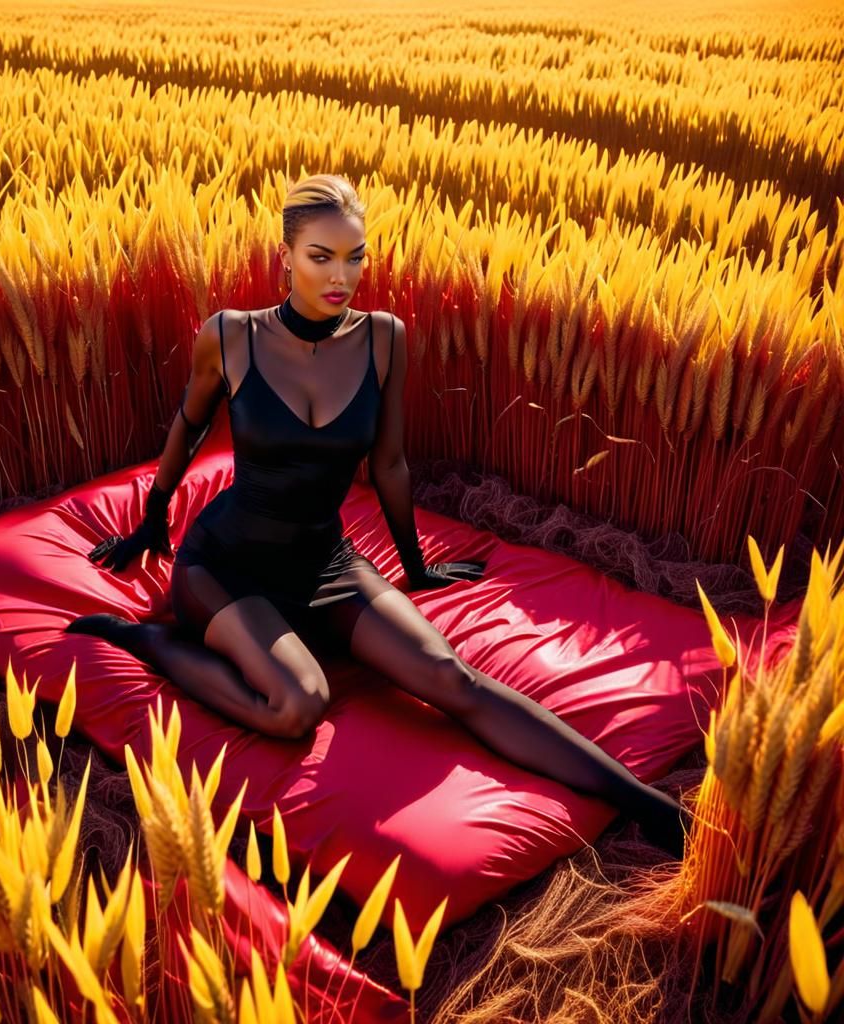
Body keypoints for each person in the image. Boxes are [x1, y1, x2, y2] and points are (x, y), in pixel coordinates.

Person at [68, 174, 686, 857]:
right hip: (228, 567)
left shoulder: (383, 339)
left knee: (452, 679)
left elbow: (389, 465)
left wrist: (414, 567)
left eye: (355, 256)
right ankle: (152, 643)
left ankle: (642, 800)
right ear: (286, 256)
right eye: (321, 256)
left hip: (326, 564)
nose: (342, 276)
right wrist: (153, 519)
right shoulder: (231, 337)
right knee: (297, 706)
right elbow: (188, 422)